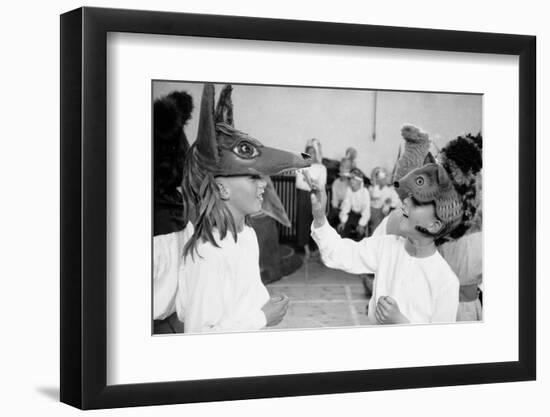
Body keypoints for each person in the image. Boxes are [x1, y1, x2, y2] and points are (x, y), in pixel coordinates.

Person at [175, 84, 311, 333]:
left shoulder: (247, 235)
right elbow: (198, 337)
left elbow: (246, 296)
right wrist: (261, 318)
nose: (264, 185)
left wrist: (264, 306)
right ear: (222, 189)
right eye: (253, 178)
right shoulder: (207, 254)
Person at [307, 162, 462, 325]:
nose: (406, 202)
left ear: (434, 225)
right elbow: (339, 252)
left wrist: (400, 322)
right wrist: (319, 218)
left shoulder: (446, 282)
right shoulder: (386, 246)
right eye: (409, 196)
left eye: (416, 202)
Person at [295, 140, 327, 256]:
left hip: (317, 196)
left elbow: (321, 184)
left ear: (317, 154)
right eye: (308, 152)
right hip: (303, 196)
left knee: (316, 221)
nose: (311, 155)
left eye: (313, 152)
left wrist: (308, 180)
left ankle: (317, 249)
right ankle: (306, 249)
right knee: (303, 221)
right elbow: (298, 184)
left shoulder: (322, 168)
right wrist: (312, 182)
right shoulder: (301, 166)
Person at [337, 168, 371, 240]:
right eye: (350, 179)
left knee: (360, 233)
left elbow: (366, 210)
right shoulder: (349, 190)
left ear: (359, 181)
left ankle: (359, 249)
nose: (351, 181)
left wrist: (361, 224)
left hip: (361, 215)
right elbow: (346, 205)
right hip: (352, 214)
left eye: (354, 179)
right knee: (342, 229)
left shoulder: (365, 192)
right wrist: (343, 221)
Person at [368, 167, 400, 235]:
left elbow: (388, 207)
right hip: (369, 210)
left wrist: (387, 206)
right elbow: (374, 196)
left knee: (376, 229)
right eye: (379, 177)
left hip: (380, 214)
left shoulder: (388, 191)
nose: (383, 180)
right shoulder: (371, 188)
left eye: (384, 178)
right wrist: (375, 185)